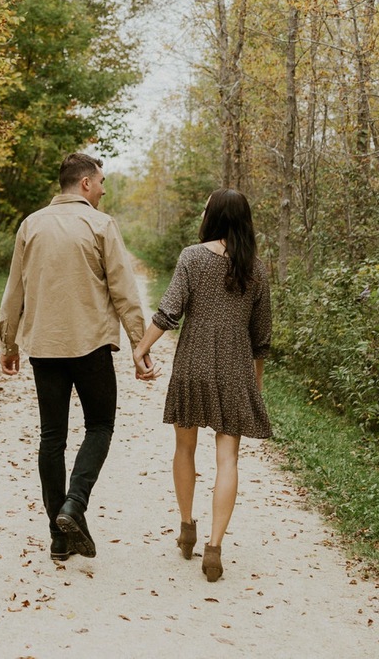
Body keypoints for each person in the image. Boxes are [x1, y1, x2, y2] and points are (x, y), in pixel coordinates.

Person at [0, 151, 152, 563]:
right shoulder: (100, 224)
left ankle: (58, 537)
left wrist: (8, 342)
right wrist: (140, 344)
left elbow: (14, 289)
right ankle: (74, 506)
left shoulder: (30, 225)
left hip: (44, 347)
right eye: (101, 181)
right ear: (84, 183)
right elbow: (123, 288)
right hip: (92, 346)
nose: (103, 189)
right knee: (100, 426)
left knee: (52, 437)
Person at [132, 188, 272, 583]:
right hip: (235, 371)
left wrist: (141, 349)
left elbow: (168, 311)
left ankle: (187, 526)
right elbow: (261, 336)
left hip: (192, 364)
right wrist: (255, 384)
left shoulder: (192, 257)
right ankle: (214, 546)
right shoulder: (256, 268)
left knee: (184, 446)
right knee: (228, 459)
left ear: (213, 216)